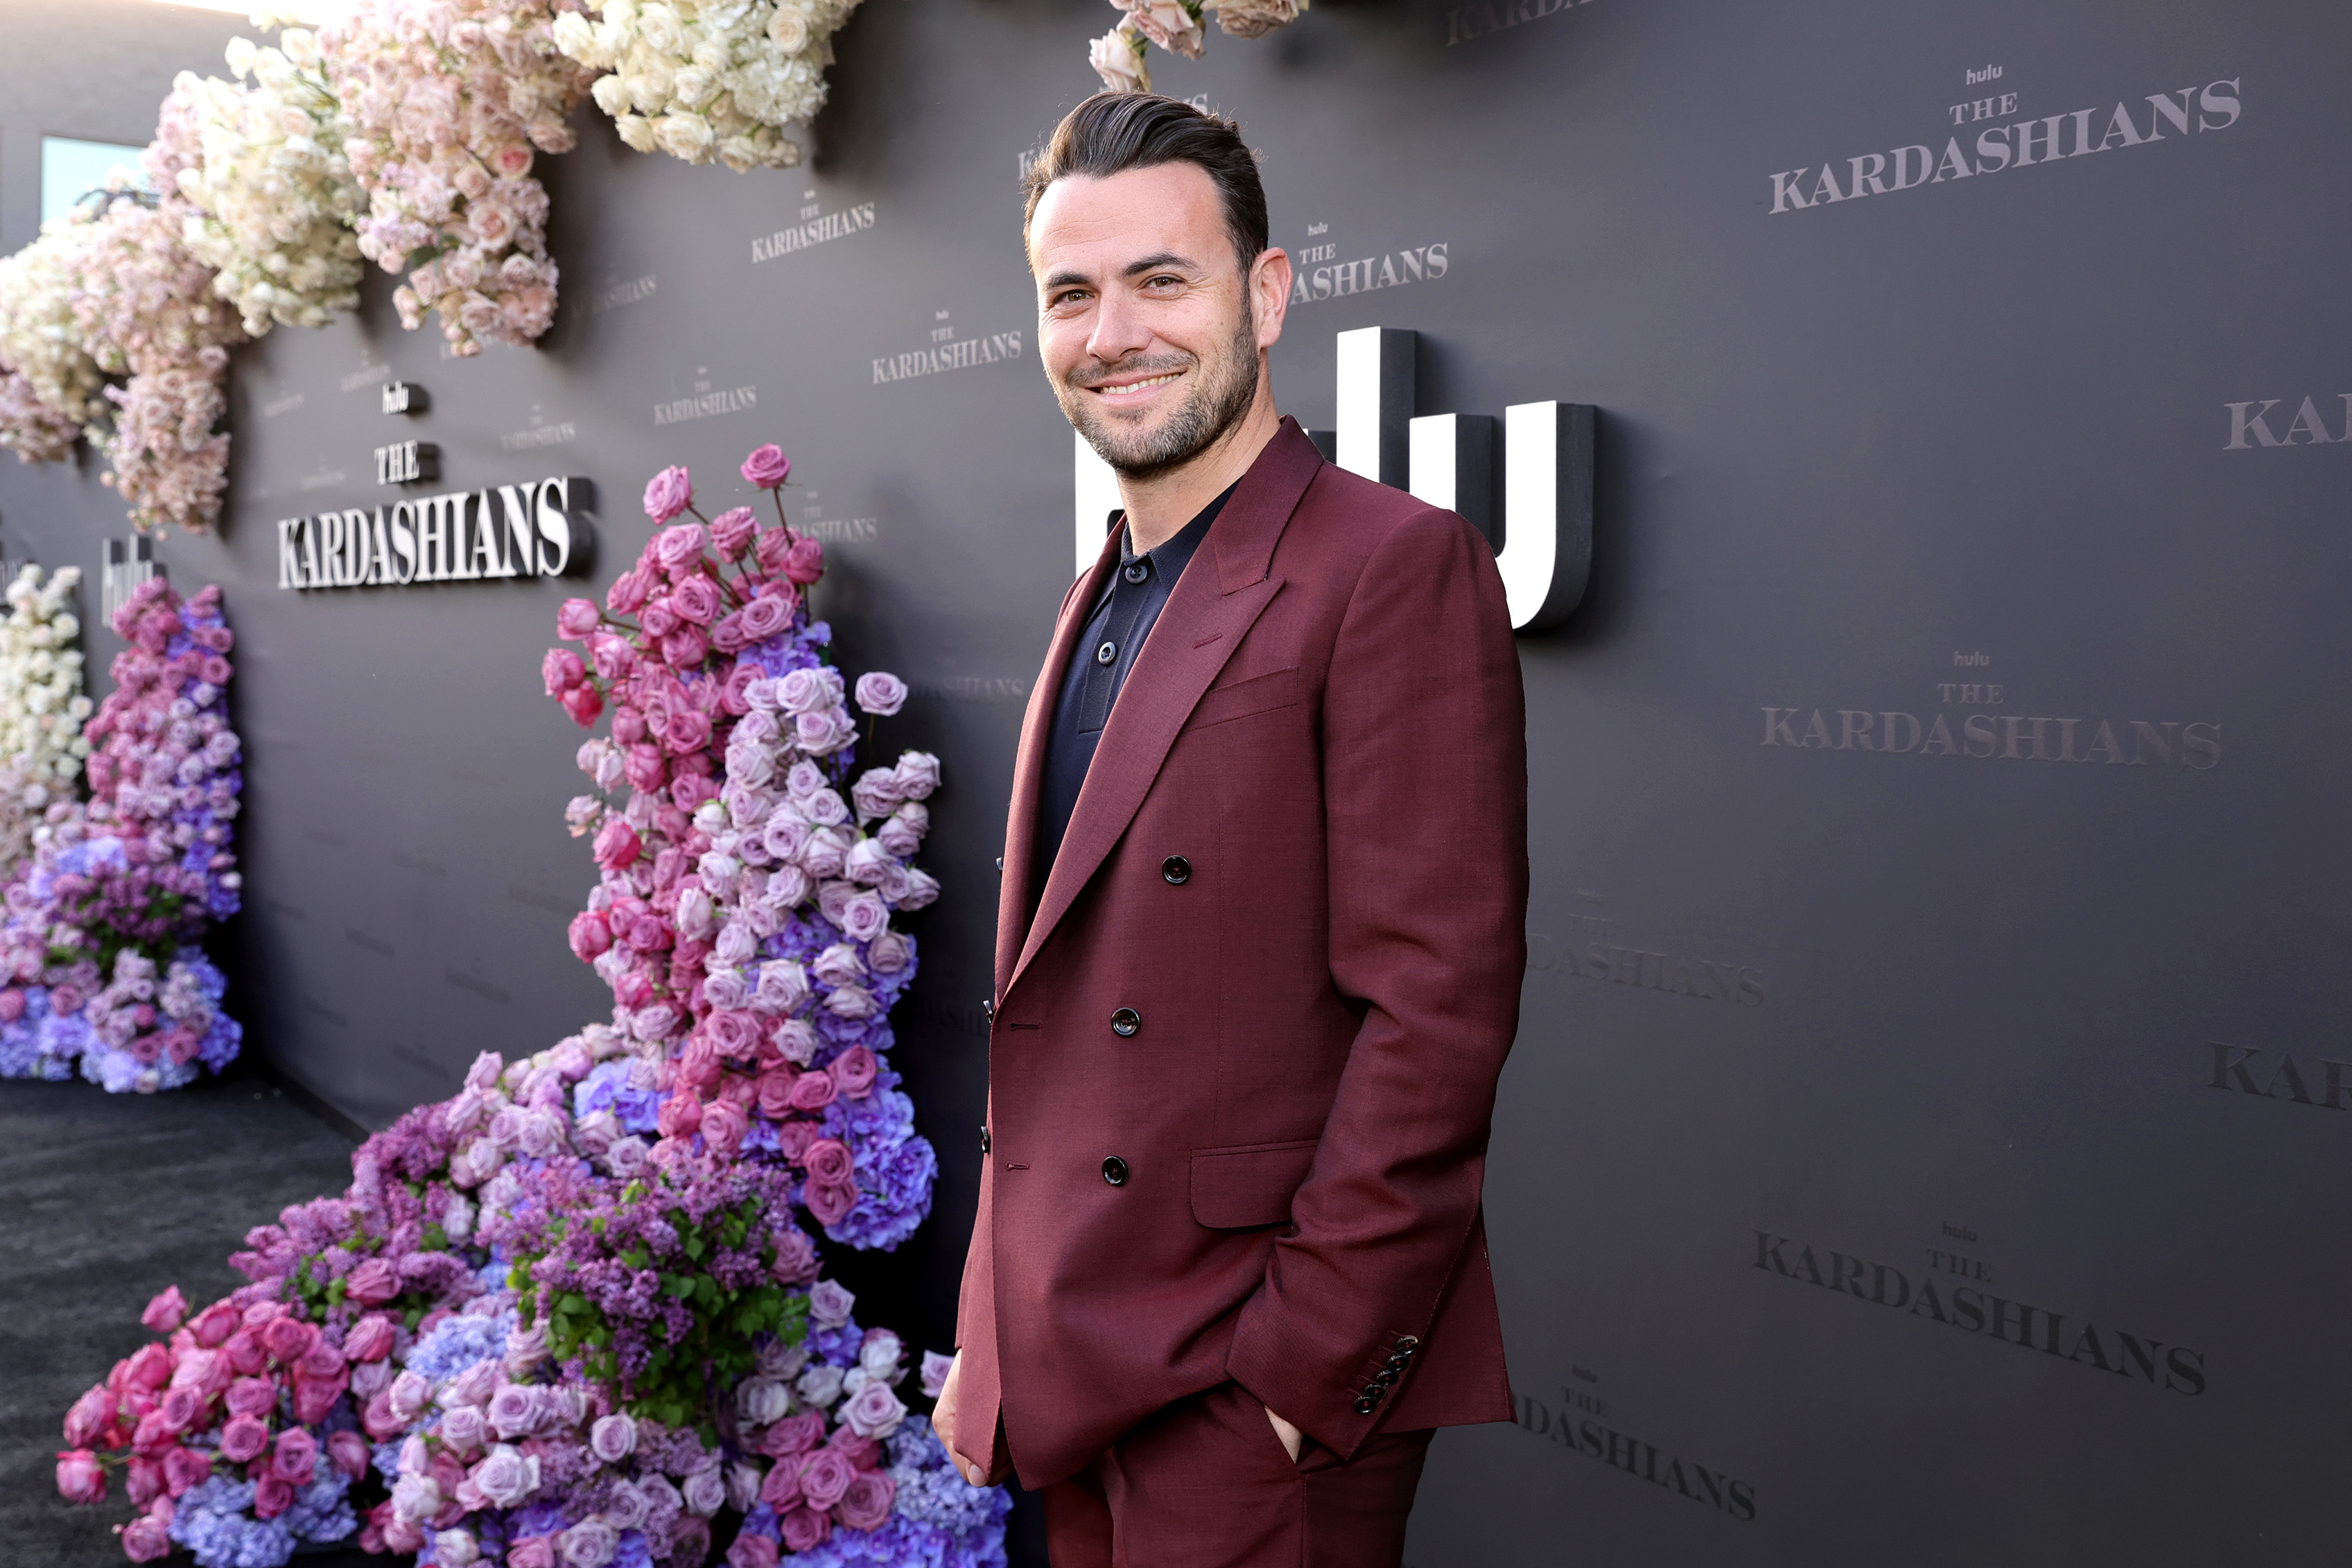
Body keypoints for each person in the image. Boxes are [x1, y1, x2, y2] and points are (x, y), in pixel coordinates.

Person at [930, 92, 1528, 1566]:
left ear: (1262, 293)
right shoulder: (1108, 587)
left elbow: (1436, 1012)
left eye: (1160, 279)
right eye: (1069, 294)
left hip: (1251, 1396)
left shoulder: (1390, 564)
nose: (1111, 331)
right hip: (1072, 1359)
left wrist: (1296, 1378)